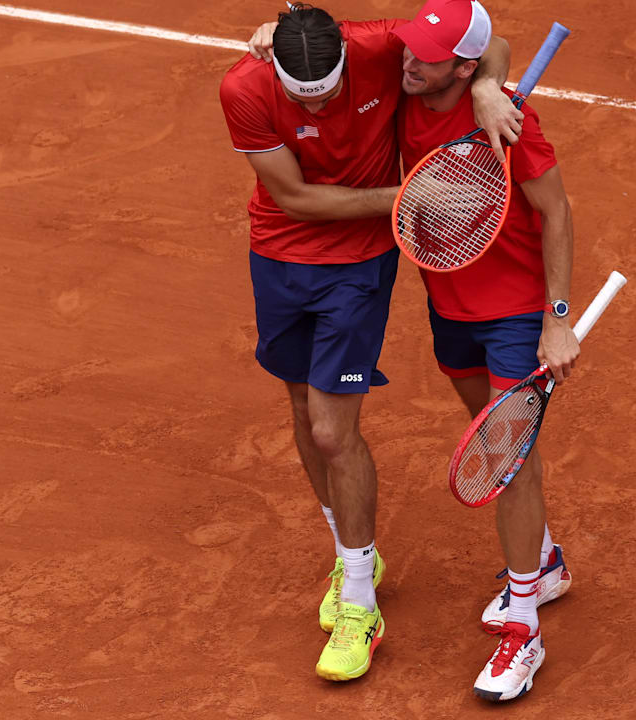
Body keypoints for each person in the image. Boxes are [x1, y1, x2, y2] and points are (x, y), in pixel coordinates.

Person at [218, 3, 521, 683]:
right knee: (300, 404)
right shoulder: (243, 86)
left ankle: (360, 603)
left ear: (345, 58)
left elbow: (489, 42)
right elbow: (294, 197)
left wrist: (482, 86)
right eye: (304, 96)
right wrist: (411, 197)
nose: (318, 101)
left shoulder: (382, 47)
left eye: (328, 87)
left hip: (355, 267)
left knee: (332, 431)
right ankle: (354, 553)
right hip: (280, 253)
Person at [394, 0, 579, 702]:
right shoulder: (413, 92)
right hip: (449, 306)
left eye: (426, 55)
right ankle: (548, 561)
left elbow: (557, 210)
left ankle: (523, 628)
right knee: (492, 434)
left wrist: (557, 319)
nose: (409, 61)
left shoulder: (507, 118)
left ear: (463, 66)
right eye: (409, 49)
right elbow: (494, 42)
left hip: (512, 315)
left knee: (506, 457)